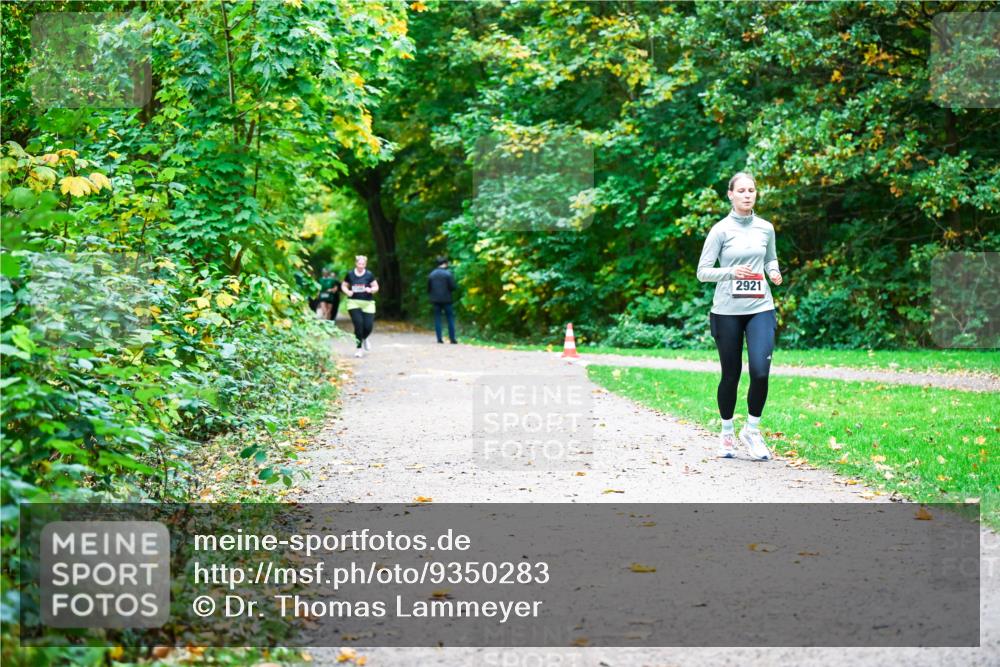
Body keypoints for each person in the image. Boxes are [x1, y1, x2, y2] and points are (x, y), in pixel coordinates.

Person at [696, 172, 783, 461]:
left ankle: (752, 430)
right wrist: (732, 272)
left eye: (751, 190)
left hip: (760, 307)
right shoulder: (720, 230)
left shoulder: (766, 228)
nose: (747, 195)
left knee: (760, 371)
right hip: (727, 311)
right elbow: (703, 272)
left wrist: (773, 271)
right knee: (731, 375)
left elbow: (770, 258)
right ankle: (726, 433)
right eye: (742, 190)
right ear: (731, 195)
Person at [341, 255, 378, 358]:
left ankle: (364, 338)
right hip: (353, 302)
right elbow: (344, 285)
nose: (361, 266)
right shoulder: (350, 274)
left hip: (368, 303)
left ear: (365, 264)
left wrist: (371, 290)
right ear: (356, 264)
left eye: (363, 264)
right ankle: (359, 348)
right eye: (359, 264)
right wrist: (347, 292)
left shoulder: (369, 274)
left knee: (368, 327)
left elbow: (376, 286)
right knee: (359, 325)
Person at [427, 256, 458, 344]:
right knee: (450, 318)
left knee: (437, 318)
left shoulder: (431, 274)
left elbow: (428, 288)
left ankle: (439, 338)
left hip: (435, 300)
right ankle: (452, 338)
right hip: (447, 299)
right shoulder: (448, 274)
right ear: (445, 263)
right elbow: (453, 287)